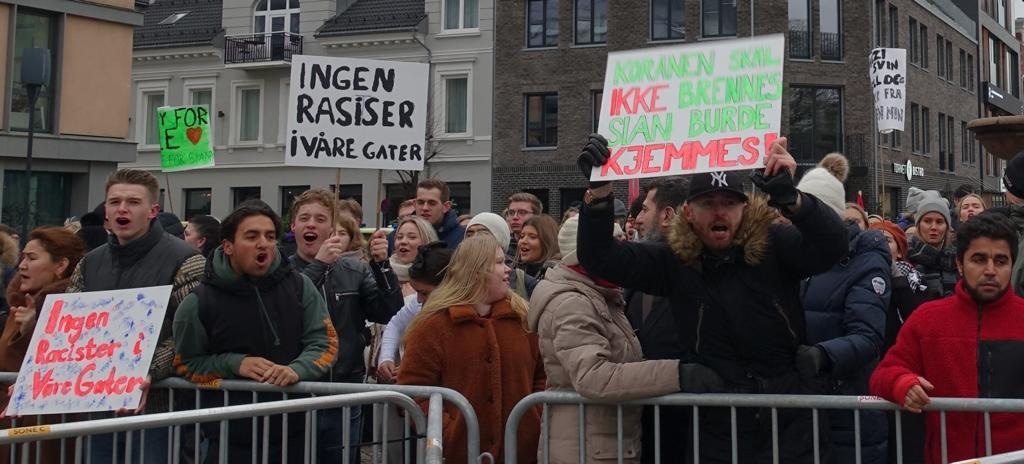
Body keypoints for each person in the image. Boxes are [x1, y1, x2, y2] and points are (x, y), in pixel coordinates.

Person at [575, 134, 848, 463]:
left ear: (744, 208)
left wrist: (793, 200)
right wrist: (600, 193)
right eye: (708, 203)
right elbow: (599, 257)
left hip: (791, 425)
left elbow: (833, 245)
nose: (719, 212)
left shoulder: (774, 245)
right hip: (719, 428)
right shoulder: (674, 261)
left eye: (729, 203)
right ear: (688, 212)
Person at [173, 200, 337, 464]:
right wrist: (235, 364)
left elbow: (324, 343)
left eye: (270, 236)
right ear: (228, 246)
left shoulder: (299, 286)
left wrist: (297, 369)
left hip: (295, 435)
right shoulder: (198, 302)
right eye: (252, 236)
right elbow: (185, 364)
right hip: (225, 439)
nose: (264, 243)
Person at [528, 216, 696, 464]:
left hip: (603, 442)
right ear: (585, 255)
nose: (624, 256)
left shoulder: (602, 296)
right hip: (584, 449)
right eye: (614, 247)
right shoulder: (572, 303)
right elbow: (594, 376)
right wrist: (678, 374)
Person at [67, 169, 205, 463]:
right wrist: (39, 375)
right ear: (105, 209)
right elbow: (68, 332)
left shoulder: (187, 260)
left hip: (156, 407)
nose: (122, 208)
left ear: (153, 210)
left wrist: (150, 371)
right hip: (98, 406)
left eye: (133, 201)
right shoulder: (89, 264)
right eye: (115, 201)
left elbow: (190, 333)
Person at [870, 212, 1024, 463]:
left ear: (1011, 264)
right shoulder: (928, 319)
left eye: (1000, 261)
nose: (990, 270)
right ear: (960, 265)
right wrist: (902, 383)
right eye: (979, 259)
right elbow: (884, 372)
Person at [398, 235, 544, 463]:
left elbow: (543, 377)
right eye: (498, 262)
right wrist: (448, 432)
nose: (508, 269)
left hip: (521, 453)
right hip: (458, 456)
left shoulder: (525, 320)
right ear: (476, 271)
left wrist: (533, 419)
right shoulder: (432, 326)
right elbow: (414, 391)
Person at [286, 188, 402, 463]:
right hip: (296, 390)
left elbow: (388, 310)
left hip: (343, 386)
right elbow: (288, 309)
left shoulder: (354, 270)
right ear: (294, 226)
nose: (311, 224)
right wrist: (318, 266)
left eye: (320, 219)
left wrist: (382, 265)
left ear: (332, 228)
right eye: (304, 218)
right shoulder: (280, 269)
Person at [797, 154, 891, 464]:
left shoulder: (865, 260)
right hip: (800, 407)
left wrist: (822, 355)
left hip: (849, 409)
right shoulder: (794, 254)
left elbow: (867, 334)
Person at [0, 227, 85, 464]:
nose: (21, 265)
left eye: (32, 258)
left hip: (40, 433)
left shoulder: (74, 313)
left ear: (61, 266)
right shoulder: (19, 306)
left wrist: (33, 329)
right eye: (23, 256)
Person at [623, 177, 690, 462]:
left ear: (667, 215)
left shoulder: (697, 270)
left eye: (644, 210)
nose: (637, 219)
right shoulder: (637, 272)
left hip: (687, 421)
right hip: (643, 419)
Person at [376, 241, 453, 384]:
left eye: (424, 293)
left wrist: (414, 368)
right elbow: (395, 324)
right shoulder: (416, 304)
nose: (418, 299)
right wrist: (386, 358)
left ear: (447, 286)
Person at [466, 212, 536, 299]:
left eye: (483, 233)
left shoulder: (524, 282)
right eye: (469, 234)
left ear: (501, 239)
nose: (475, 238)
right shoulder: (454, 273)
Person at [907, 191, 957, 296]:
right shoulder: (906, 257)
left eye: (939, 222)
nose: (933, 227)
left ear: (947, 226)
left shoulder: (957, 259)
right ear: (918, 225)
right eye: (927, 221)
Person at [392, 179, 465, 251]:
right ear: (414, 204)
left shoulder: (463, 238)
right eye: (420, 202)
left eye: (432, 203)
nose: (425, 208)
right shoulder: (394, 237)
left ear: (446, 207)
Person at [388, 216, 439, 296]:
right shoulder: (384, 273)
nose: (403, 242)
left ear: (427, 242)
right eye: (399, 237)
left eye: (412, 237)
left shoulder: (438, 278)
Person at [516, 214, 560, 280]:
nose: (523, 241)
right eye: (522, 236)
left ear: (548, 241)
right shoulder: (514, 271)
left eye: (532, 237)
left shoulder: (556, 275)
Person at [505, 192, 543, 262]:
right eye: (511, 213)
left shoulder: (546, 250)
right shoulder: (502, 248)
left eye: (522, 212)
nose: (515, 217)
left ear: (536, 216)